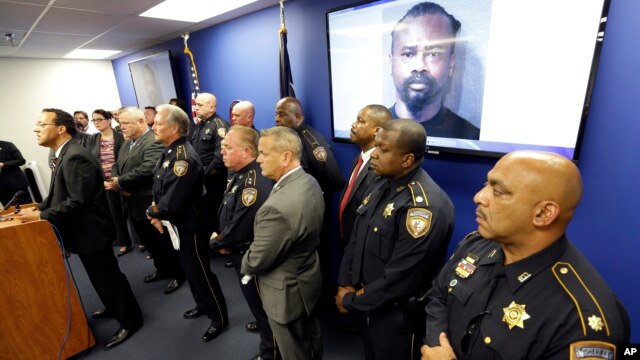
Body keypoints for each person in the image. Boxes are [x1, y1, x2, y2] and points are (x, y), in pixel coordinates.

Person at [421, 151, 630, 360]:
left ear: (543, 214)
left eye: (498, 191)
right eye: (486, 184)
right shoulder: (476, 245)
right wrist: (436, 347)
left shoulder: (580, 320)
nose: (479, 197)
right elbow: (439, 295)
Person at [17, 108, 143, 349]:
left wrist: (41, 214)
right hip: (83, 232)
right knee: (100, 277)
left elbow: (78, 201)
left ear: (61, 129)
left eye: (42, 124)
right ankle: (114, 305)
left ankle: (130, 319)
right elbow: (60, 193)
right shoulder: (62, 154)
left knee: (108, 277)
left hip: (92, 232)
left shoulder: (75, 156)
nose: (36, 129)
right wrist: (38, 207)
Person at [337, 119, 455, 359]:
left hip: (397, 316)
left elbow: (400, 279)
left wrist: (350, 300)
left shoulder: (424, 208)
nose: (375, 155)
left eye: (383, 149)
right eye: (376, 146)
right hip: (369, 303)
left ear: (407, 160)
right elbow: (356, 238)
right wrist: (345, 282)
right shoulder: (382, 182)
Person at [147, 104, 228, 343]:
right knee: (189, 270)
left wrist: (151, 211)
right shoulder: (170, 150)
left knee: (200, 272)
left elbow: (169, 203)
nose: (153, 126)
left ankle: (219, 317)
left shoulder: (183, 157)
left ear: (173, 128)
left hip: (190, 226)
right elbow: (158, 187)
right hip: (177, 225)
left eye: (158, 123)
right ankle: (202, 304)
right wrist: (155, 210)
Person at [242, 126, 324, 360]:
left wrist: (244, 260)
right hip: (306, 278)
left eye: (264, 153)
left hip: (285, 293)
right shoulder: (309, 181)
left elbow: (257, 259)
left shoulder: (276, 208)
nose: (258, 159)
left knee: (294, 350)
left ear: (286, 156)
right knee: (310, 339)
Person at [211, 125, 278, 360]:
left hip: (250, 256)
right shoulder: (240, 174)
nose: (222, 152)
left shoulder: (253, 182)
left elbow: (242, 225)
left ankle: (270, 352)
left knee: (263, 308)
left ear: (248, 151)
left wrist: (218, 241)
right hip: (238, 251)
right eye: (222, 147)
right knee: (257, 306)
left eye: (228, 147)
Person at [275, 96, 345, 307]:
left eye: (282, 114)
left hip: (312, 210)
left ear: (298, 116)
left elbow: (335, 179)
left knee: (313, 256)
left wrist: (314, 195)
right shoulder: (290, 138)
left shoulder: (312, 141)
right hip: (295, 210)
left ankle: (317, 301)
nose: (276, 118)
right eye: (276, 113)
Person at [107, 107, 185, 294]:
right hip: (132, 202)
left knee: (162, 241)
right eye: (121, 122)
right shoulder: (127, 143)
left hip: (149, 201)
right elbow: (116, 165)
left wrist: (120, 183)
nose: (121, 126)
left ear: (141, 122)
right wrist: (118, 181)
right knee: (149, 242)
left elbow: (148, 168)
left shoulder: (153, 141)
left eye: (126, 123)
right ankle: (162, 269)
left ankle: (178, 274)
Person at [389, 2, 479, 140]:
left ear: (451, 64)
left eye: (434, 54)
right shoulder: (369, 132)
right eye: (408, 54)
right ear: (391, 63)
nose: (419, 66)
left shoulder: (472, 138)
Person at [338, 104, 392, 250]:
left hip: (363, 246)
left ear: (377, 131)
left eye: (361, 121)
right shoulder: (360, 157)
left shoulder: (380, 167)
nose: (353, 125)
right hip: (349, 240)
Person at [85, 109, 131, 256]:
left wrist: (118, 180)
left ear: (109, 120)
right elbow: (90, 162)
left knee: (131, 211)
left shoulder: (120, 137)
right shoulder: (92, 139)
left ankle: (141, 240)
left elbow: (125, 159)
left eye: (99, 119)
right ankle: (123, 242)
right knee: (114, 213)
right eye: (94, 120)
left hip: (121, 179)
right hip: (104, 182)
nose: (96, 123)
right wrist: (103, 182)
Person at [191, 92, 230, 250]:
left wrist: (203, 175)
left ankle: (224, 245)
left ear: (212, 107)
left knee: (217, 213)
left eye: (200, 105)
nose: (196, 108)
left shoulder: (219, 126)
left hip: (214, 180)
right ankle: (213, 242)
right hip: (202, 180)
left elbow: (220, 158)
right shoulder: (200, 125)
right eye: (196, 104)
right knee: (207, 213)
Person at [0, 140, 31, 206]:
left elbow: (21, 160)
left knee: (27, 207)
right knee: (9, 212)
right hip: (2, 190)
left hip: (17, 184)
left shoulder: (8, 145)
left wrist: (4, 165)